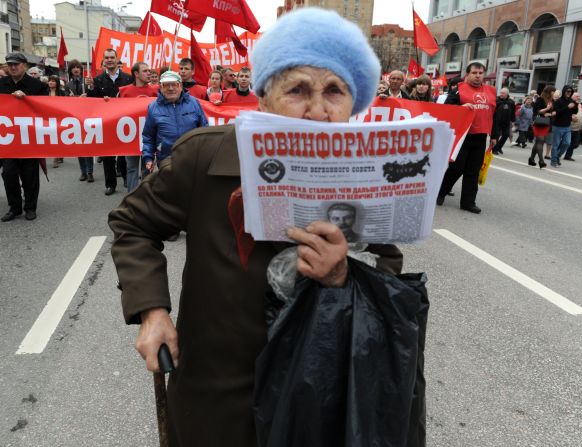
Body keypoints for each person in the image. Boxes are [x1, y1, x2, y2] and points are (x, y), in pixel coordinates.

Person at [109, 9, 417, 446]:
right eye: (297, 89)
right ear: (263, 95)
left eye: (335, 91)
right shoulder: (204, 156)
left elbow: (385, 270)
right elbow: (133, 224)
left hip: (316, 391)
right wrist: (152, 312)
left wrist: (342, 274)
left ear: (355, 102)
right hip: (217, 394)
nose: (317, 110)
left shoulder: (368, 173)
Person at [436, 62, 497, 214]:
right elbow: (446, 110)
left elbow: (494, 114)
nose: (478, 76)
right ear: (467, 74)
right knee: (457, 168)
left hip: (481, 136)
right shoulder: (458, 90)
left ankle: (468, 202)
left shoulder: (491, 91)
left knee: (473, 170)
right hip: (463, 136)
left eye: (480, 73)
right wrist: (461, 108)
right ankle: (440, 192)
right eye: (474, 73)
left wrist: (495, 135)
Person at [0, 52, 48, 222]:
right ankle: (14, 207)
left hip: (30, 138)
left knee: (30, 175)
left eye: (16, 64)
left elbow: (46, 107)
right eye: (10, 64)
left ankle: (30, 207)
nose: (13, 67)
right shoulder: (1, 84)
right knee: (9, 174)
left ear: (25, 66)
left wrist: (27, 100)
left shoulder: (37, 85)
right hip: (9, 140)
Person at [86, 48, 133, 195]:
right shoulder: (97, 80)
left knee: (125, 152)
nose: (109, 60)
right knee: (107, 155)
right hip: (105, 123)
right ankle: (110, 184)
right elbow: (92, 101)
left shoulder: (128, 78)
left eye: (112, 57)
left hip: (124, 121)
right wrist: (90, 88)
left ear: (117, 59)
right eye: (107, 58)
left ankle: (126, 178)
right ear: (104, 60)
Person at [141, 70, 207, 174]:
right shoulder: (153, 107)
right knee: (169, 189)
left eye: (174, 84)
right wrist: (148, 158)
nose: (171, 88)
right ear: (161, 87)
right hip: (166, 160)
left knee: (191, 189)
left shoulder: (194, 103)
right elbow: (148, 136)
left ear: (180, 86)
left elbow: (204, 130)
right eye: (166, 85)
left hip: (192, 158)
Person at [118, 62, 159, 192]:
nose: (149, 73)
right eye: (145, 71)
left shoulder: (156, 91)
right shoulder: (123, 91)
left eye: (149, 71)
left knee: (147, 167)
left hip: (149, 136)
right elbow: (114, 111)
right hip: (131, 136)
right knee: (131, 168)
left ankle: (144, 196)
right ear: (136, 74)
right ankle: (131, 198)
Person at [550, 85, 578, 167]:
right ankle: (553, 161)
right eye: (567, 91)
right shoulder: (558, 101)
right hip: (557, 126)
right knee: (556, 145)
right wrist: (567, 107)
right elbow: (556, 112)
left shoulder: (571, 101)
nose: (569, 93)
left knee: (567, 143)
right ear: (564, 91)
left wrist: (575, 104)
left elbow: (575, 111)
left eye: (570, 92)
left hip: (567, 126)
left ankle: (558, 156)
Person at [529, 85, 555, 169]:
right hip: (539, 123)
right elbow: (536, 111)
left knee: (538, 142)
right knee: (541, 140)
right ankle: (541, 161)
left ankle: (531, 159)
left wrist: (550, 113)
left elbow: (553, 112)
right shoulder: (540, 99)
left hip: (546, 123)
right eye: (553, 91)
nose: (554, 93)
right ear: (549, 92)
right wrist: (546, 109)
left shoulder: (552, 101)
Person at [47, 75, 67, 168]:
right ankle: (56, 156)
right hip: (48, 117)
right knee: (52, 137)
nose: (51, 82)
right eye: (49, 81)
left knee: (59, 136)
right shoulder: (44, 92)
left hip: (59, 117)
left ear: (57, 83)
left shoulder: (62, 93)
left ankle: (59, 154)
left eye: (53, 81)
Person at [491, 87, 515, 155]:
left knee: (506, 134)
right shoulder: (496, 100)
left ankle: (499, 147)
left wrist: (513, 121)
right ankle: (494, 149)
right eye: (501, 92)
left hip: (506, 121)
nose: (501, 94)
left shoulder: (511, 102)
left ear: (507, 94)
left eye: (503, 93)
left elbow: (513, 112)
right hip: (496, 121)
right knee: (496, 135)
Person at [565, 92, 582, 161]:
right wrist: (571, 117)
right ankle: (557, 153)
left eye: (579, 96)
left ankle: (568, 156)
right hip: (569, 127)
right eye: (577, 96)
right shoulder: (570, 103)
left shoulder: (580, 105)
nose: (578, 98)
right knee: (565, 142)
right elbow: (565, 112)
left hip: (577, 128)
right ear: (572, 97)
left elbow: (581, 115)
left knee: (575, 144)